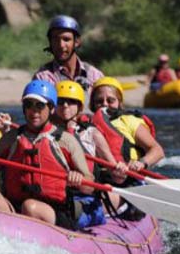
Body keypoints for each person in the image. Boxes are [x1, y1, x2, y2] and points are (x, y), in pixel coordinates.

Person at [0, 80, 101, 230]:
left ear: (51, 108)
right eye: (28, 105)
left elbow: (89, 185)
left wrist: (78, 179)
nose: (34, 111)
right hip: (15, 208)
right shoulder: (12, 138)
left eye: (40, 105)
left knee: (31, 207)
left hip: (53, 212)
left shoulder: (66, 140)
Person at [52, 80, 129, 210]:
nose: (65, 106)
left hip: (84, 193)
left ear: (80, 107)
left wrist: (120, 170)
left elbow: (117, 176)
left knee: (111, 195)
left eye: (71, 102)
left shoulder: (91, 133)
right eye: (60, 102)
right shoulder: (45, 131)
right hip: (54, 190)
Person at [90, 77, 165, 174]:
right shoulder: (86, 124)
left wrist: (141, 163)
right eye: (99, 101)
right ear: (93, 104)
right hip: (100, 176)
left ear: (119, 102)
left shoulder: (129, 121)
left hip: (129, 176)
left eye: (110, 100)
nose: (104, 104)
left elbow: (158, 151)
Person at [32, 15, 104, 108]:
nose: (61, 45)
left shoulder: (95, 76)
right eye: (55, 39)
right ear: (50, 42)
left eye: (66, 39)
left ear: (76, 42)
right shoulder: (42, 78)